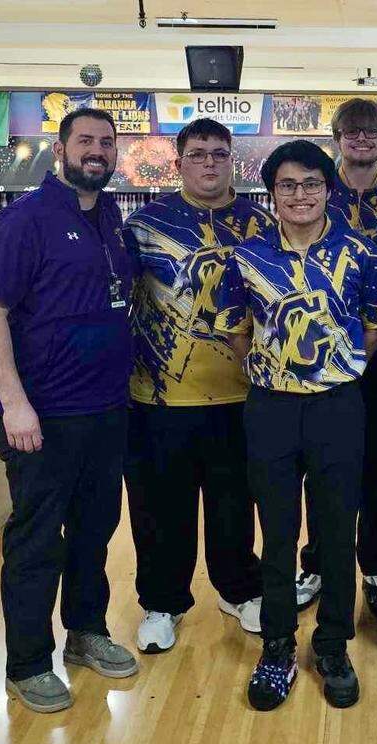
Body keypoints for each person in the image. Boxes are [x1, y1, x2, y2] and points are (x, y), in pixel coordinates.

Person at [215, 140, 377, 711]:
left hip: (338, 407)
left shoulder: (361, 254)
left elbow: (375, 328)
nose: (300, 194)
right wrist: (264, 370)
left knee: (338, 532)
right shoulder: (247, 258)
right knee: (278, 533)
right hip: (270, 408)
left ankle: (334, 643)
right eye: (288, 185)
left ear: (327, 189)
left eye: (311, 184)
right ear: (272, 194)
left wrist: (334, 371)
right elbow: (234, 329)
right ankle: (276, 645)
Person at [0, 107, 139, 714]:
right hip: (39, 417)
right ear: (60, 148)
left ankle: (86, 633)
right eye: (85, 141)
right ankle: (27, 664)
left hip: (105, 413)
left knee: (94, 533)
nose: (97, 150)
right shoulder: (24, 221)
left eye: (106, 142)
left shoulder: (114, 220)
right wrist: (15, 405)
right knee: (38, 541)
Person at [123, 118, 272, 653]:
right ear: (179, 160)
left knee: (236, 504)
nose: (210, 162)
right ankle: (162, 603)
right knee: (162, 510)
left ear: (232, 160)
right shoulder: (143, 225)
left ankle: (240, 590)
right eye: (199, 153)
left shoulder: (262, 224)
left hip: (242, 396)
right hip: (158, 399)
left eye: (219, 153)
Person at [294, 98, 377, 617]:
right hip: (324, 354)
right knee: (322, 466)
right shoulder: (318, 192)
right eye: (352, 131)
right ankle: (319, 561)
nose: (362, 139)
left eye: (372, 131)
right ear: (337, 137)